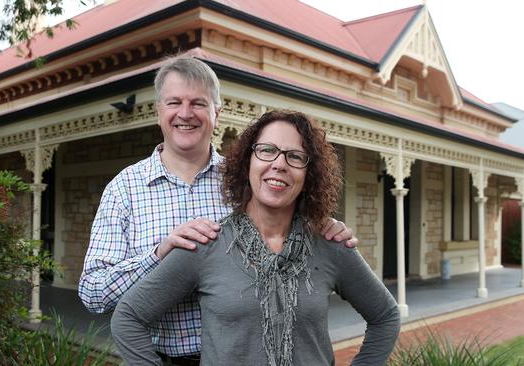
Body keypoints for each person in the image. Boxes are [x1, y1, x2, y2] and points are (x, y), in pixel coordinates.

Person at [79, 55, 357, 363]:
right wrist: (159, 254)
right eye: (174, 103)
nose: (185, 113)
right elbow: (94, 294)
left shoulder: (245, 181)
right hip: (158, 357)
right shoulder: (125, 189)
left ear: (217, 112)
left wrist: (322, 224)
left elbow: (288, 219)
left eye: (198, 103)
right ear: (158, 111)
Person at [111, 110, 400, 365]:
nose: (279, 164)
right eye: (266, 150)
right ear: (247, 160)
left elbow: (385, 316)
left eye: (295, 156)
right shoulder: (207, 243)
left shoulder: (329, 244)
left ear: (309, 174)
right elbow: (128, 318)